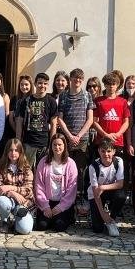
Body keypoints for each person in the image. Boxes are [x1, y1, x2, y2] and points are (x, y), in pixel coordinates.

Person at [53, 68, 95, 199]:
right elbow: (60, 118)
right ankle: (65, 195)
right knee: (65, 167)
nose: (77, 80)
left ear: (82, 80)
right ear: (70, 79)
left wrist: (78, 136)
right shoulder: (63, 96)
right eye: (75, 77)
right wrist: (70, 136)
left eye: (80, 78)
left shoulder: (87, 96)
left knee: (80, 169)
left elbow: (90, 119)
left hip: (82, 139)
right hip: (66, 138)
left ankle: (79, 195)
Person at [34, 134, 79, 232]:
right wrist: (45, 207)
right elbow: (39, 186)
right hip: (47, 202)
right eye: (54, 145)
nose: (57, 147)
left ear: (64, 146)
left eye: (60, 145)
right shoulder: (43, 162)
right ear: (51, 146)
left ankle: (66, 217)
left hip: (63, 203)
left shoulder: (71, 164)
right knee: (41, 226)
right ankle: (50, 218)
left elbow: (72, 189)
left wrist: (60, 207)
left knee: (59, 226)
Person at [0, 139, 35, 234]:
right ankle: (5, 221)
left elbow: (28, 190)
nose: (13, 153)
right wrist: (12, 193)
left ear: (20, 152)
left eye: (16, 150)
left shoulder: (26, 168)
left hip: (23, 202)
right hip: (8, 200)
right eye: (11, 150)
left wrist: (12, 188)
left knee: (24, 230)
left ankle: (17, 221)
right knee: (1, 201)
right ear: (6, 151)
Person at [16, 72, 57, 168]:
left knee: (42, 171)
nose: (42, 86)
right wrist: (18, 141)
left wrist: (52, 143)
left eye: (45, 83)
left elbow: (53, 124)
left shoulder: (51, 101)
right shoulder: (26, 101)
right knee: (26, 170)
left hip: (44, 143)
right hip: (28, 143)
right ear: (34, 84)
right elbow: (19, 122)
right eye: (40, 83)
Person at [88, 138, 125, 236]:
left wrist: (103, 187)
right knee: (97, 229)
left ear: (114, 151)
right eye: (103, 151)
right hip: (96, 195)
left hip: (109, 189)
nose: (106, 154)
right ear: (99, 151)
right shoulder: (93, 166)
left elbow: (120, 184)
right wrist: (103, 214)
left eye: (109, 151)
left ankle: (112, 220)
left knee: (121, 196)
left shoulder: (118, 161)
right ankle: (102, 216)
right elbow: (95, 192)